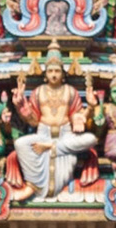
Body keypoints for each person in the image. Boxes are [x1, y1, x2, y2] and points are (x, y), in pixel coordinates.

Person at [12, 49, 96, 201]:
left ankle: (51, 146)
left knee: (91, 139)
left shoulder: (71, 92)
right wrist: (21, 106)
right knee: (20, 144)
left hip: (65, 135)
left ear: (63, 74)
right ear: (45, 74)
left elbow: (78, 117)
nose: (54, 74)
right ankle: (32, 185)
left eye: (57, 70)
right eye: (50, 71)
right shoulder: (38, 92)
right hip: (43, 134)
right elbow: (33, 121)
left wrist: (90, 107)